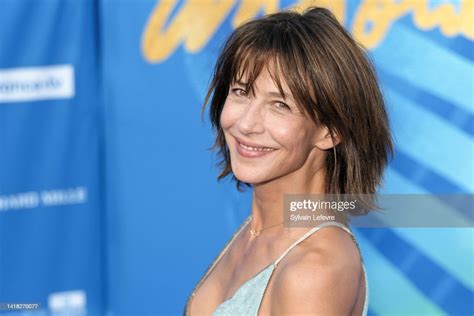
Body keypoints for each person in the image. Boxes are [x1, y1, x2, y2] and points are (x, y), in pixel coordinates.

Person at [185, 6, 393, 316]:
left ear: (331, 131)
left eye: (280, 105)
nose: (247, 124)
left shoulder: (314, 267)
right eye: (241, 92)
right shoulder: (257, 230)